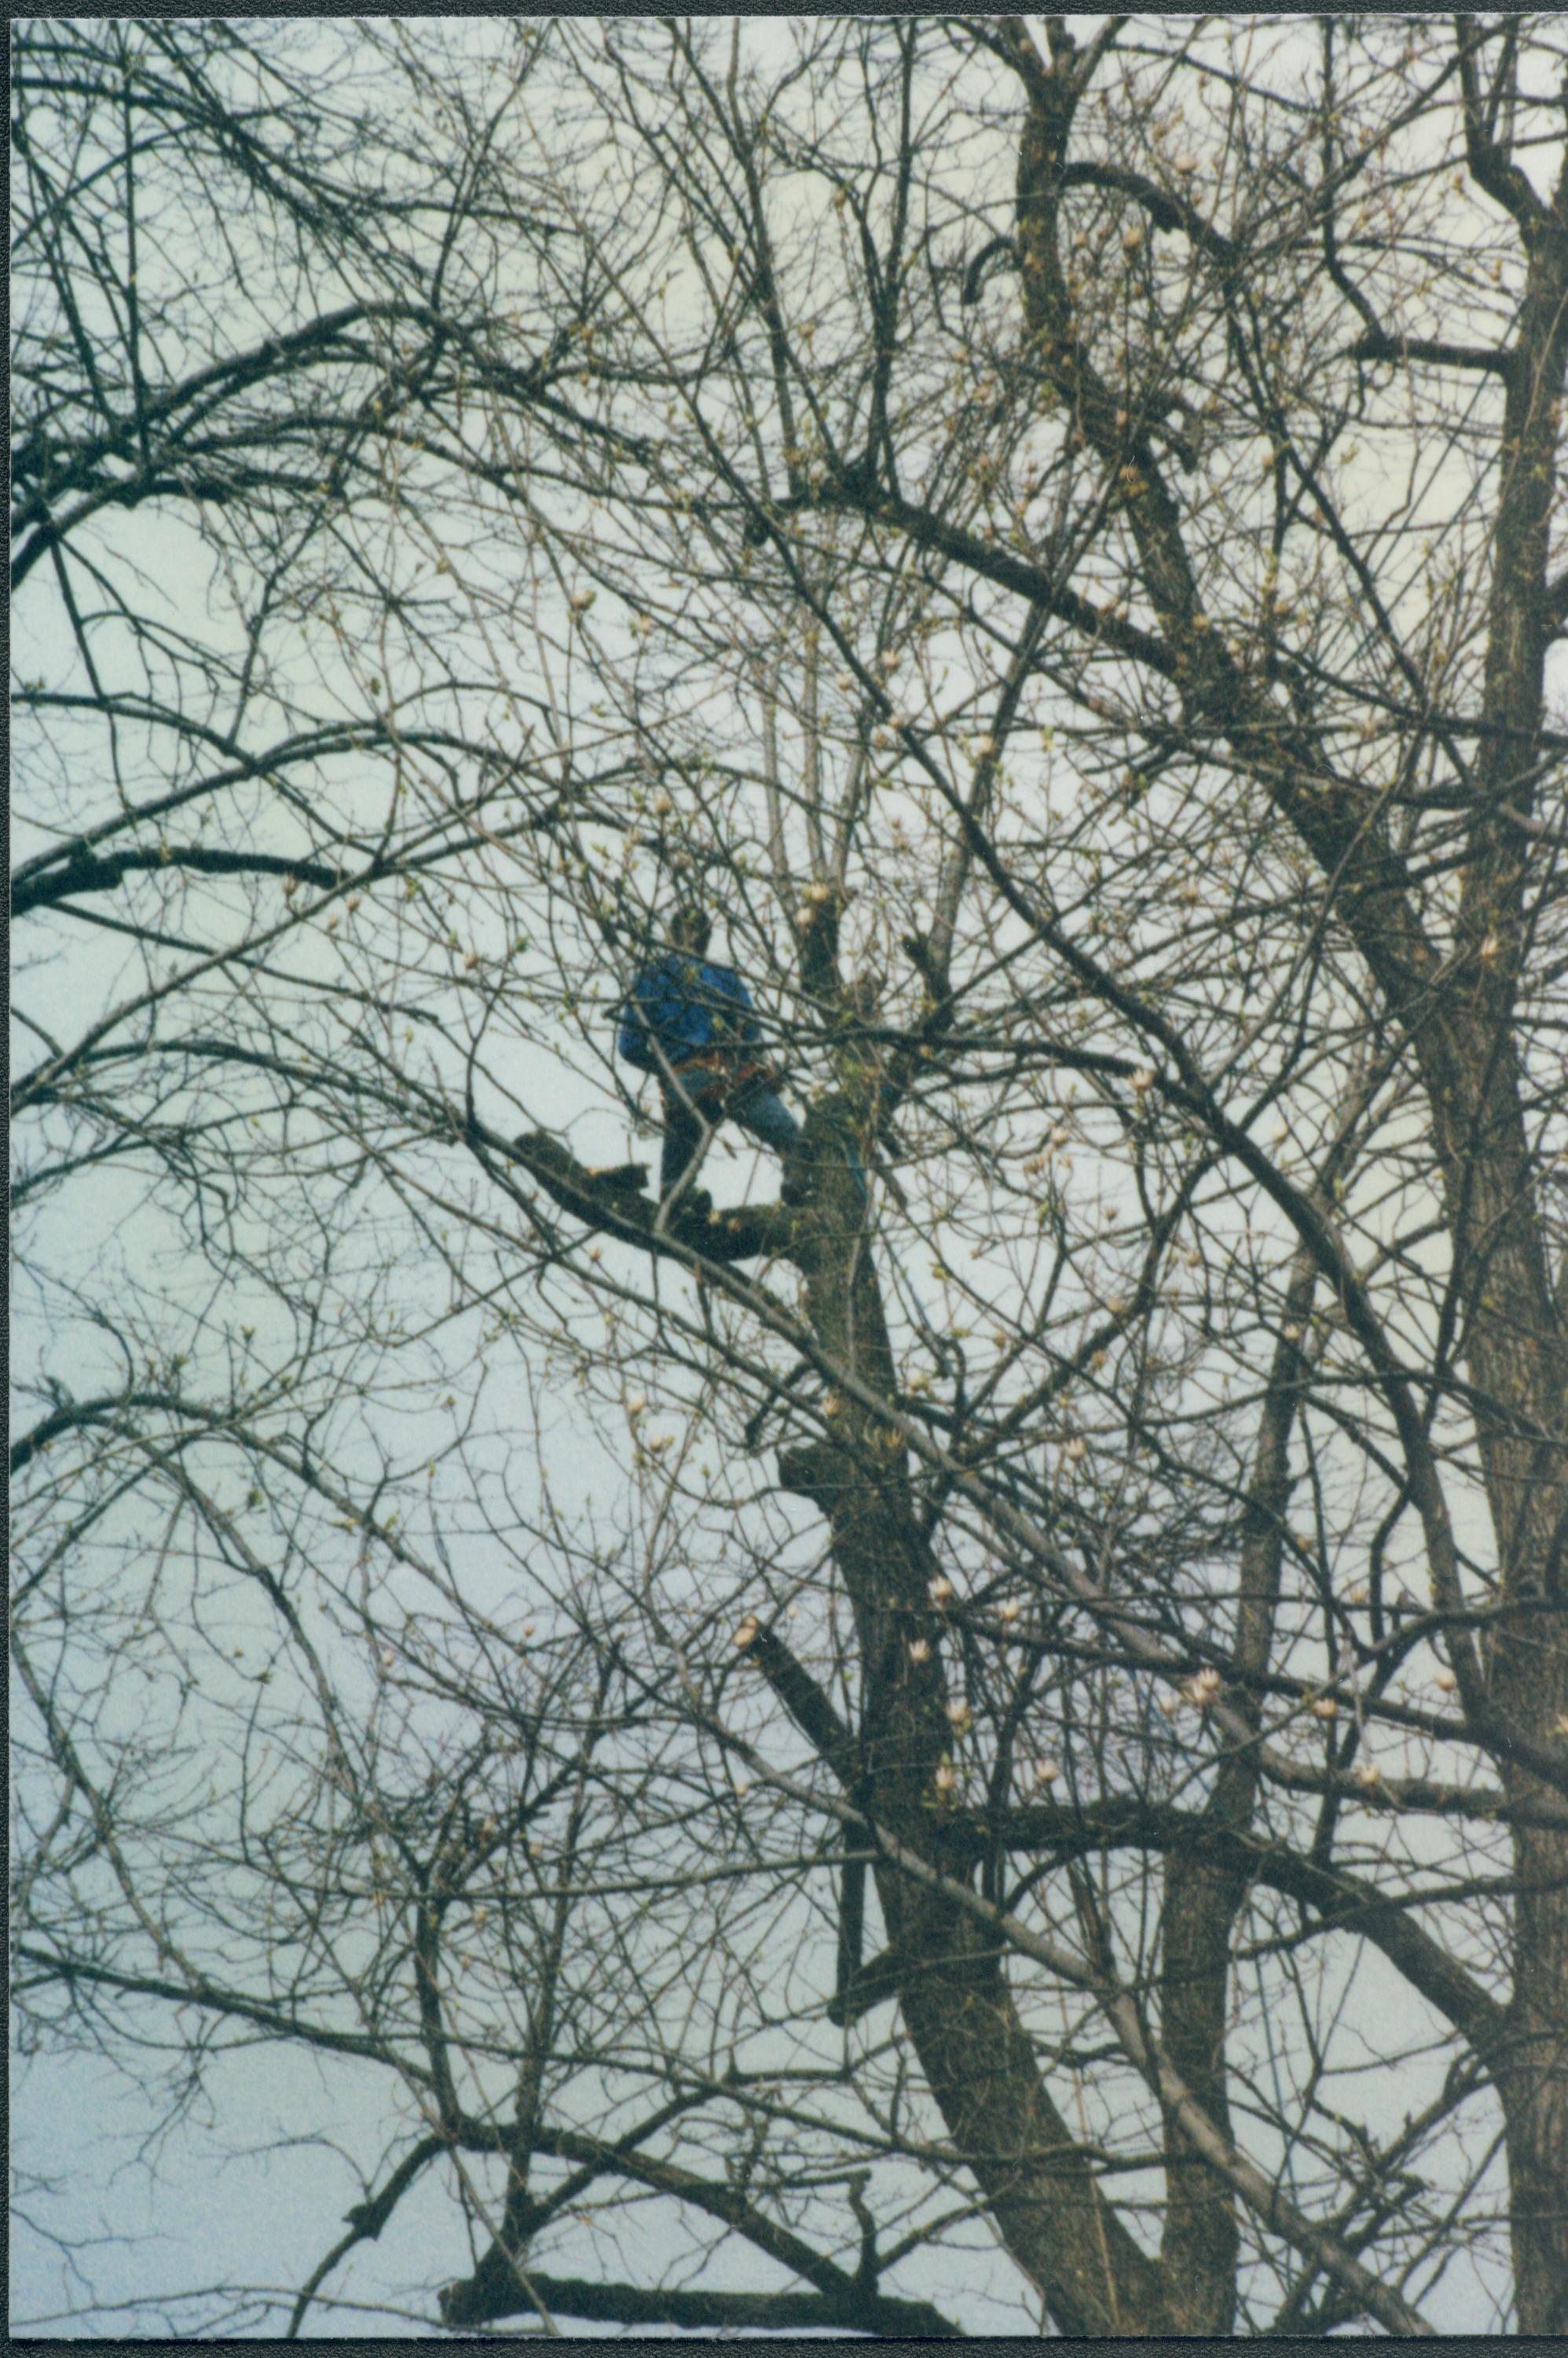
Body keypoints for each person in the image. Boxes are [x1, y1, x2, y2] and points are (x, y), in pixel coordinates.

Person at [617, 907, 800, 1202]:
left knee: (679, 1158)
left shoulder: (650, 978)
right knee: (790, 1137)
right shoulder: (724, 977)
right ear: (707, 938)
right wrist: (764, 1070)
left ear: (671, 935)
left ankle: (676, 1195)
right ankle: (798, 1177)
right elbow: (751, 1036)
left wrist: (664, 1068)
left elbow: (629, 1048)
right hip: (731, 1075)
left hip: (684, 1080)